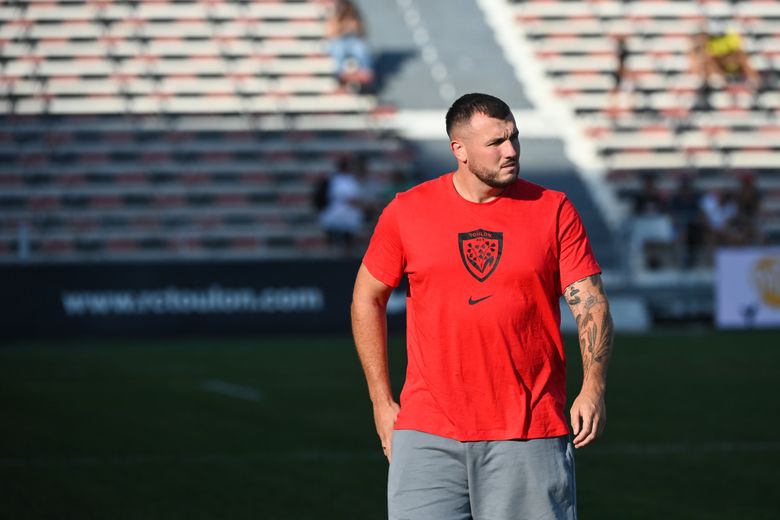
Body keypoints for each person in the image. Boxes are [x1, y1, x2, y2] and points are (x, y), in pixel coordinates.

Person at [351, 93, 614, 519]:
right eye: (495, 142)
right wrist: (381, 402)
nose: (510, 150)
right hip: (426, 432)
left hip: (529, 429)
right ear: (460, 150)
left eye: (513, 137)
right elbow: (367, 296)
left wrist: (593, 387)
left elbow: (590, 304)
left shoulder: (554, 210)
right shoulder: (407, 211)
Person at [326, 0, 374, 91]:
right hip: (339, 41)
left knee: (361, 48)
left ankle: (366, 70)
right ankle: (339, 72)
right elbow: (331, 35)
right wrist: (343, 28)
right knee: (338, 48)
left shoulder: (355, 17)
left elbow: (362, 33)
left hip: (353, 41)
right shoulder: (335, 18)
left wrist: (354, 27)